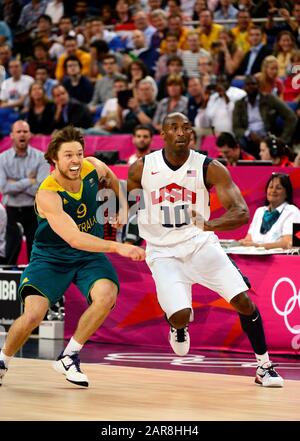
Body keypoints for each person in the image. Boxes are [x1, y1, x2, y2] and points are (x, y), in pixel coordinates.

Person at [127, 112, 284, 387]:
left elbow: (241, 212)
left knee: (243, 301)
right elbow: (131, 207)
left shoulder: (209, 168)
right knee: (179, 315)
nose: (180, 132)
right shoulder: (141, 168)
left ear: (192, 135)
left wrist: (209, 224)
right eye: (173, 127)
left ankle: (265, 367)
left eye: (185, 128)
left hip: (200, 245)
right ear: (162, 135)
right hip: (163, 252)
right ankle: (178, 326)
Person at [0, 125, 145, 388]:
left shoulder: (92, 166)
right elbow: (74, 237)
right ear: (54, 159)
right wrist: (117, 247)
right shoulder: (48, 193)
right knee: (34, 315)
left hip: (87, 256)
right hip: (51, 257)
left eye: (79, 153)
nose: (76, 160)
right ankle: (2, 360)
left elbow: (111, 177)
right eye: (68, 155)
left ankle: (69, 355)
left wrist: (121, 206)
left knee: (106, 295)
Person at [0, 120, 50, 263]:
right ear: (11, 135)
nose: (22, 134)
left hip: (34, 212)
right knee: (8, 256)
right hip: (11, 213)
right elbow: (3, 187)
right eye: (18, 131)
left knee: (35, 255)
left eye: (25, 131)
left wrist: (14, 183)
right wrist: (30, 181)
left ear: (30, 135)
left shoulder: (42, 158)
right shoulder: (2, 159)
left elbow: (41, 190)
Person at [240, 173, 300, 250]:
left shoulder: (293, 212)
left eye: (278, 188)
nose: (273, 191)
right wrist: (238, 243)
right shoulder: (260, 211)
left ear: (287, 193)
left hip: (280, 259)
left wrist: (259, 247)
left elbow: (289, 242)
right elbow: (249, 239)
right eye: (270, 187)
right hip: (255, 258)